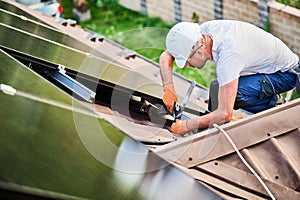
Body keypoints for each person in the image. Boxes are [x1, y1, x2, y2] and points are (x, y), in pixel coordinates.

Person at [159, 20, 299, 135]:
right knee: (216, 87)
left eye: (187, 61)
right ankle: (210, 127)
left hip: (285, 74)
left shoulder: (229, 56)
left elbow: (225, 114)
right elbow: (166, 56)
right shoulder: (202, 32)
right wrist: (168, 88)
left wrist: (186, 126)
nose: (186, 65)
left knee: (235, 94)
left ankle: (273, 105)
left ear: (200, 53)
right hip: (267, 65)